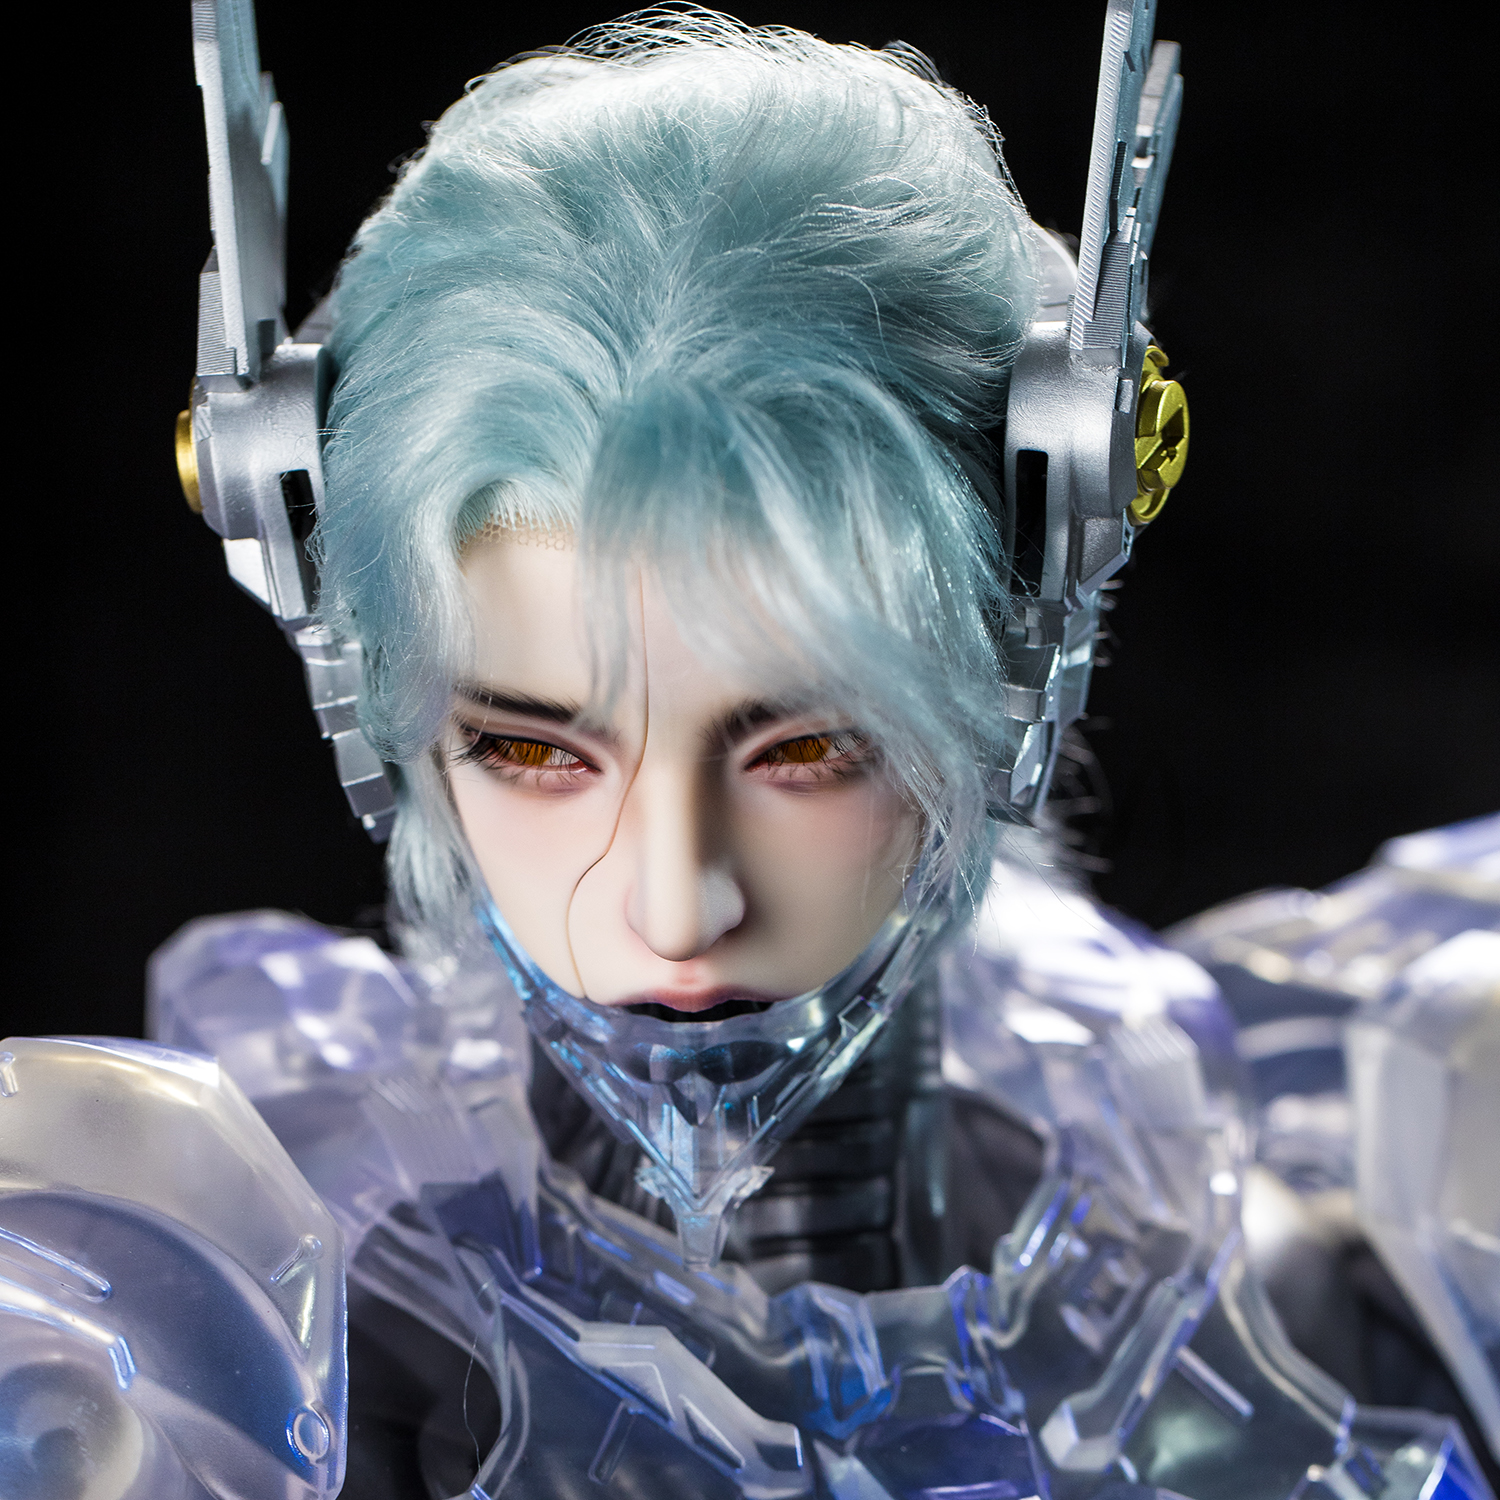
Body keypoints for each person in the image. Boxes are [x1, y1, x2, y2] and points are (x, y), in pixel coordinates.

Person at [2, 5, 1493, 1498]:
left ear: (1021, 661)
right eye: (532, 752)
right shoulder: (227, 1356)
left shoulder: (1289, 1282)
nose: (677, 903)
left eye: (809, 747)